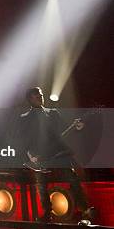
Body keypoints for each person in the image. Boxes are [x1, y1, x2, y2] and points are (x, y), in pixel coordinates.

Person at [18, 87, 93, 222]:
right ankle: (47, 213)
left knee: (73, 179)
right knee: (41, 186)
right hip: (40, 158)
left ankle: (85, 211)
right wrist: (30, 156)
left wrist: (77, 128)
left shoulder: (53, 113)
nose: (40, 98)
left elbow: (65, 132)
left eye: (40, 95)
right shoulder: (24, 118)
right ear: (30, 99)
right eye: (36, 97)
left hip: (58, 155)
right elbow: (23, 141)